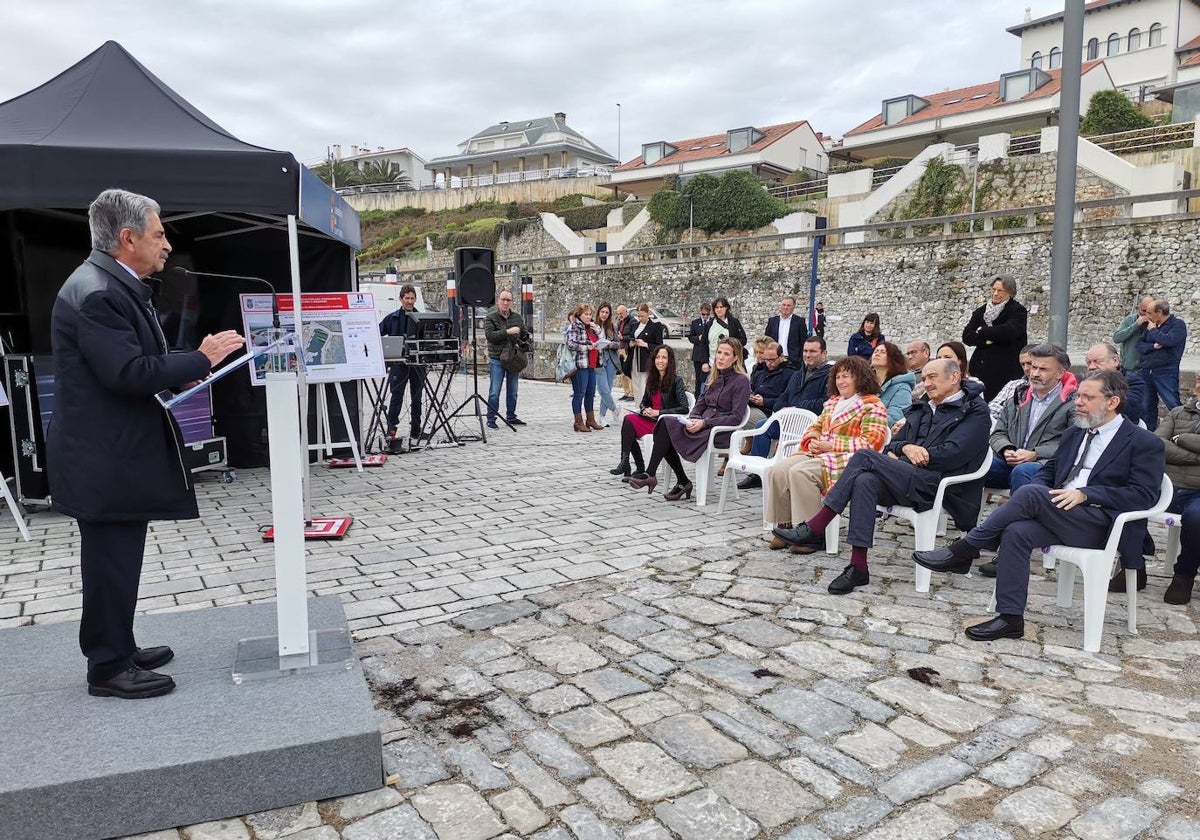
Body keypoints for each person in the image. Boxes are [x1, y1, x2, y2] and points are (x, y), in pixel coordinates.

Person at [48, 188, 246, 699]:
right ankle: (108, 666)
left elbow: (135, 362)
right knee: (110, 558)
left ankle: (120, 644)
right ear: (128, 238)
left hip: (111, 450)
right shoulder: (97, 293)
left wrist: (183, 370)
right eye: (159, 234)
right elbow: (126, 372)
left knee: (121, 555)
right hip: (102, 454)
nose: (167, 244)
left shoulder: (111, 284)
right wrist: (199, 359)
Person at [914, 371, 1164, 642]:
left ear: (1112, 402)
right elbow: (1050, 471)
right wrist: (1047, 488)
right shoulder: (1074, 433)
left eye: (1087, 397)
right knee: (1017, 532)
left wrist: (1087, 494)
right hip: (1061, 514)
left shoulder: (1143, 442)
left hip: (1102, 523)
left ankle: (965, 549)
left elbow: (1143, 495)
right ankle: (1010, 618)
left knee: (1032, 494)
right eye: (1078, 395)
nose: (1077, 402)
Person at [773, 358, 990, 595]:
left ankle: (816, 526)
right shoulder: (923, 406)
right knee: (864, 480)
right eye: (924, 378)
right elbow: (894, 444)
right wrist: (905, 448)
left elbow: (955, 453)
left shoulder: (975, 411)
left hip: (942, 486)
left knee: (865, 457)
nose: (926, 383)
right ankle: (858, 567)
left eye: (932, 377)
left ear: (955, 377)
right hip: (911, 477)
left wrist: (920, 452)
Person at [764, 356, 888, 550]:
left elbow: (871, 443)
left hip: (847, 460)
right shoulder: (832, 403)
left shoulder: (873, 405)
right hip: (820, 453)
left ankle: (812, 533)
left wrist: (830, 445)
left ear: (860, 378)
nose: (841, 381)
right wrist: (812, 440)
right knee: (778, 470)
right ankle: (784, 523)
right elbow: (815, 426)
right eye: (838, 377)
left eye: (846, 376)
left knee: (800, 473)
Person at [629, 337, 751, 501]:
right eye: (719, 353)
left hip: (719, 431)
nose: (720, 357)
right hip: (701, 425)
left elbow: (736, 417)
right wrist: (693, 419)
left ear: (736, 357)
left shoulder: (741, 381)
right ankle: (665, 477)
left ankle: (667, 478)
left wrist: (704, 423)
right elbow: (699, 405)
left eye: (726, 354)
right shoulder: (712, 377)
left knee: (667, 432)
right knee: (665, 423)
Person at [985, 343, 1078, 496]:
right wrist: (1006, 449)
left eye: (1043, 369)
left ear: (1060, 374)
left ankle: (1018, 519)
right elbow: (998, 433)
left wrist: (1035, 453)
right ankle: (963, 518)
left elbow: (1073, 442)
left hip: (1047, 465)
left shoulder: (1073, 403)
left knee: (1023, 472)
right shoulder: (1018, 396)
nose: (1034, 373)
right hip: (1011, 461)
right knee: (975, 465)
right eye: (1033, 367)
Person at [745, 336, 832, 464]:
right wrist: (781, 408)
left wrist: (797, 408)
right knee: (762, 426)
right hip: (789, 421)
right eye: (805, 351)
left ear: (824, 354)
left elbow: (826, 402)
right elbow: (784, 396)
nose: (807, 355)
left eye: (812, 351)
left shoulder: (830, 376)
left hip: (812, 425)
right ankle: (757, 471)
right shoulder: (798, 374)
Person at [610, 345, 689, 479]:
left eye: (664, 357)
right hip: (650, 420)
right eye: (657, 357)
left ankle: (637, 467)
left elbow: (684, 407)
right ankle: (627, 462)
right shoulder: (652, 379)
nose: (660, 361)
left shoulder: (677, 381)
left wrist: (658, 412)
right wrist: (644, 409)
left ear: (670, 361)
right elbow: (643, 402)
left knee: (629, 425)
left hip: (664, 424)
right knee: (629, 420)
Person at [1157, 376, 1200, 605]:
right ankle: (1134, 566)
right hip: (1167, 486)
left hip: (1198, 492)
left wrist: (1181, 438)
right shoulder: (1177, 412)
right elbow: (1157, 444)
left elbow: (1170, 443)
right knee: (1126, 500)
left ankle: (1184, 575)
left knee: (1197, 518)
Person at [962, 275, 1029, 401]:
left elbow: (1009, 331)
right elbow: (967, 336)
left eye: (1000, 291)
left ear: (1010, 292)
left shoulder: (1018, 311)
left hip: (1006, 370)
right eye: (993, 289)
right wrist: (989, 340)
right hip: (980, 368)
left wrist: (982, 331)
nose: (995, 293)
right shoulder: (981, 311)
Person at [378, 284, 427, 442]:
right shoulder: (392, 318)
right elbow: (376, 332)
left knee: (417, 397)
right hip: (398, 364)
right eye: (407, 298)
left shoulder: (422, 318)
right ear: (401, 299)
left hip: (417, 364)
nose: (410, 301)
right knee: (396, 397)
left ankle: (416, 429)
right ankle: (391, 429)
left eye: (412, 298)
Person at [1136, 294, 1188, 431]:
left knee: (1173, 404)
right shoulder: (1150, 326)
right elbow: (1139, 345)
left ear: (1159, 313)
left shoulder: (1178, 325)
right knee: (1147, 405)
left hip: (1166, 371)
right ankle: (1149, 433)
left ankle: (1182, 431)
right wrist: (1153, 346)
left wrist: (1153, 330)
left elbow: (1168, 341)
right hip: (1147, 370)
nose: (1146, 316)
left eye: (1149, 313)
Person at [484, 288, 531, 429]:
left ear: (511, 302)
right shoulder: (491, 317)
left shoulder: (516, 317)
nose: (505, 302)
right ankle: (491, 418)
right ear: (499, 300)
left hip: (512, 358)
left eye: (508, 300)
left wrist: (525, 338)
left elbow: (523, 333)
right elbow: (490, 336)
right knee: (494, 391)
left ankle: (511, 416)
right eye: (503, 299)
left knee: (513, 390)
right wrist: (507, 332)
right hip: (497, 358)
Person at [1084, 341, 1145, 427]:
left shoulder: (1133, 382)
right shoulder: (1084, 383)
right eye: (1088, 363)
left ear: (1115, 361)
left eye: (1097, 361)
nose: (1091, 367)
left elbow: (1129, 411)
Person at [564, 304, 603, 433]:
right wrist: (588, 347)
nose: (589, 317)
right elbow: (570, 344)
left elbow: (601, 338)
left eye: (590, 314)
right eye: (586, 314)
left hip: (591, 364)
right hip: (580, 365)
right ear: (579, 315)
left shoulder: (589, 327)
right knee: (579, 393)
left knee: (590, 393)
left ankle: (590, 419)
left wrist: (596, 329)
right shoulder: (574, 327)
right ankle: (578, 421)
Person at [625, 302, 665, 406]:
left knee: (644, 384)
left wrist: (645, 344)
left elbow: (659, 345)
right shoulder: (635, 325)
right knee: (636, 384)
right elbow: (629, 339)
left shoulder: (655, 326)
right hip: (634, 358)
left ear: (647, 313)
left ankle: (645, 407)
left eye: (642, 316)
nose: (639, 318)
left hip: (646, 360)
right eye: (638, 316)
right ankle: (638, 405)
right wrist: (631, 344)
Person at [746, 340, 791, 427]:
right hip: (754, 406)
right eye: (766, 360)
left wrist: (765, 402)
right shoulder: (760, 370)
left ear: (781, 356)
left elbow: (787, 400)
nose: (769, 363)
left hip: (770, 412)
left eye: (772, 360)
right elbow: (752, 388)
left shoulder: (789, 374)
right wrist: (751, 396)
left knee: (740, 416)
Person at [988, 344, 1036, 424]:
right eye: (1023, 364)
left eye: (1029, 363)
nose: (1026, 368)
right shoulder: (1013, 385)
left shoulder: (1049, 387)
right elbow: (992, 409)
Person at [870, 341, 915, 425]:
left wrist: (864, 421)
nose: (877, 354)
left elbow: (894, 418)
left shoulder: (902, 387)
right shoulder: (864, 382)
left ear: (893, 359)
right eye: (875, 351)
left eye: (883, 352)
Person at [701, 297, 748, 372]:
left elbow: (743, 340)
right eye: (716, 308)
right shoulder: (709, 324)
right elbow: (704, 343)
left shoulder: (734, 322)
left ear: (726, 308)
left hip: (731, 362)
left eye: (721, 307)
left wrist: (730, 342)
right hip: (713, 362)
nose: (719, 310)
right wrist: (704, 362)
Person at [594, 302, 621, 427]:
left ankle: (601, 417)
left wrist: (610, 344)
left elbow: (618, 344)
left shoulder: (612, 327)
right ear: (598, 312)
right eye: (602, 312)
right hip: (598, 360)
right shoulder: (593, 326)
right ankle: (615, 408)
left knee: (608, 389)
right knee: (602, 389)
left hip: (610, 360)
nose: (604, 315)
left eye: (606, 313)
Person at [1112, 296, 1153, 372]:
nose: (1146, 315)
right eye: (1144, 311)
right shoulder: (1129, 320)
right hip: (1128, 369)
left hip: (1147, 370)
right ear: (1137, 309)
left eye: (1149, 312)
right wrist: (1136, 325)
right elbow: (1117, 338)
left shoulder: (1156, 322)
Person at [765, 295, 806, 369]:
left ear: (793, 307)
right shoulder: (772, 321)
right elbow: (767, 340)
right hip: (775, 359)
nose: (785, 307)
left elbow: (803, 341)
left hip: (793, 360)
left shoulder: (799, 322)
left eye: (788, 305)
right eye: (784, 305)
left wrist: (799, 358)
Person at [687, 302, 712, 398]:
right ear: (700, 313)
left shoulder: (713, 322)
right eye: (703, 314)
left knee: (709, 378)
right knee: (698, 378)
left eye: (707, 314)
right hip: (697, 355)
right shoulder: (695, 323)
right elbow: (690, 338)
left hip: (709, 354)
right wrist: (698, 338)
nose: (705, 316)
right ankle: (697, 398)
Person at [614, 304, 636, 402]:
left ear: (626, 312)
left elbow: (634, 336)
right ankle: (626, 392)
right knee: (622, 372)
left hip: (628, 350)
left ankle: (632, 393)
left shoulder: (633, 321)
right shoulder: (619, 323)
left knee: (629, 371)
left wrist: (623, 338)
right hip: (620, 349)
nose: (620, 315)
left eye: (621, 313)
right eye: (618, 314)